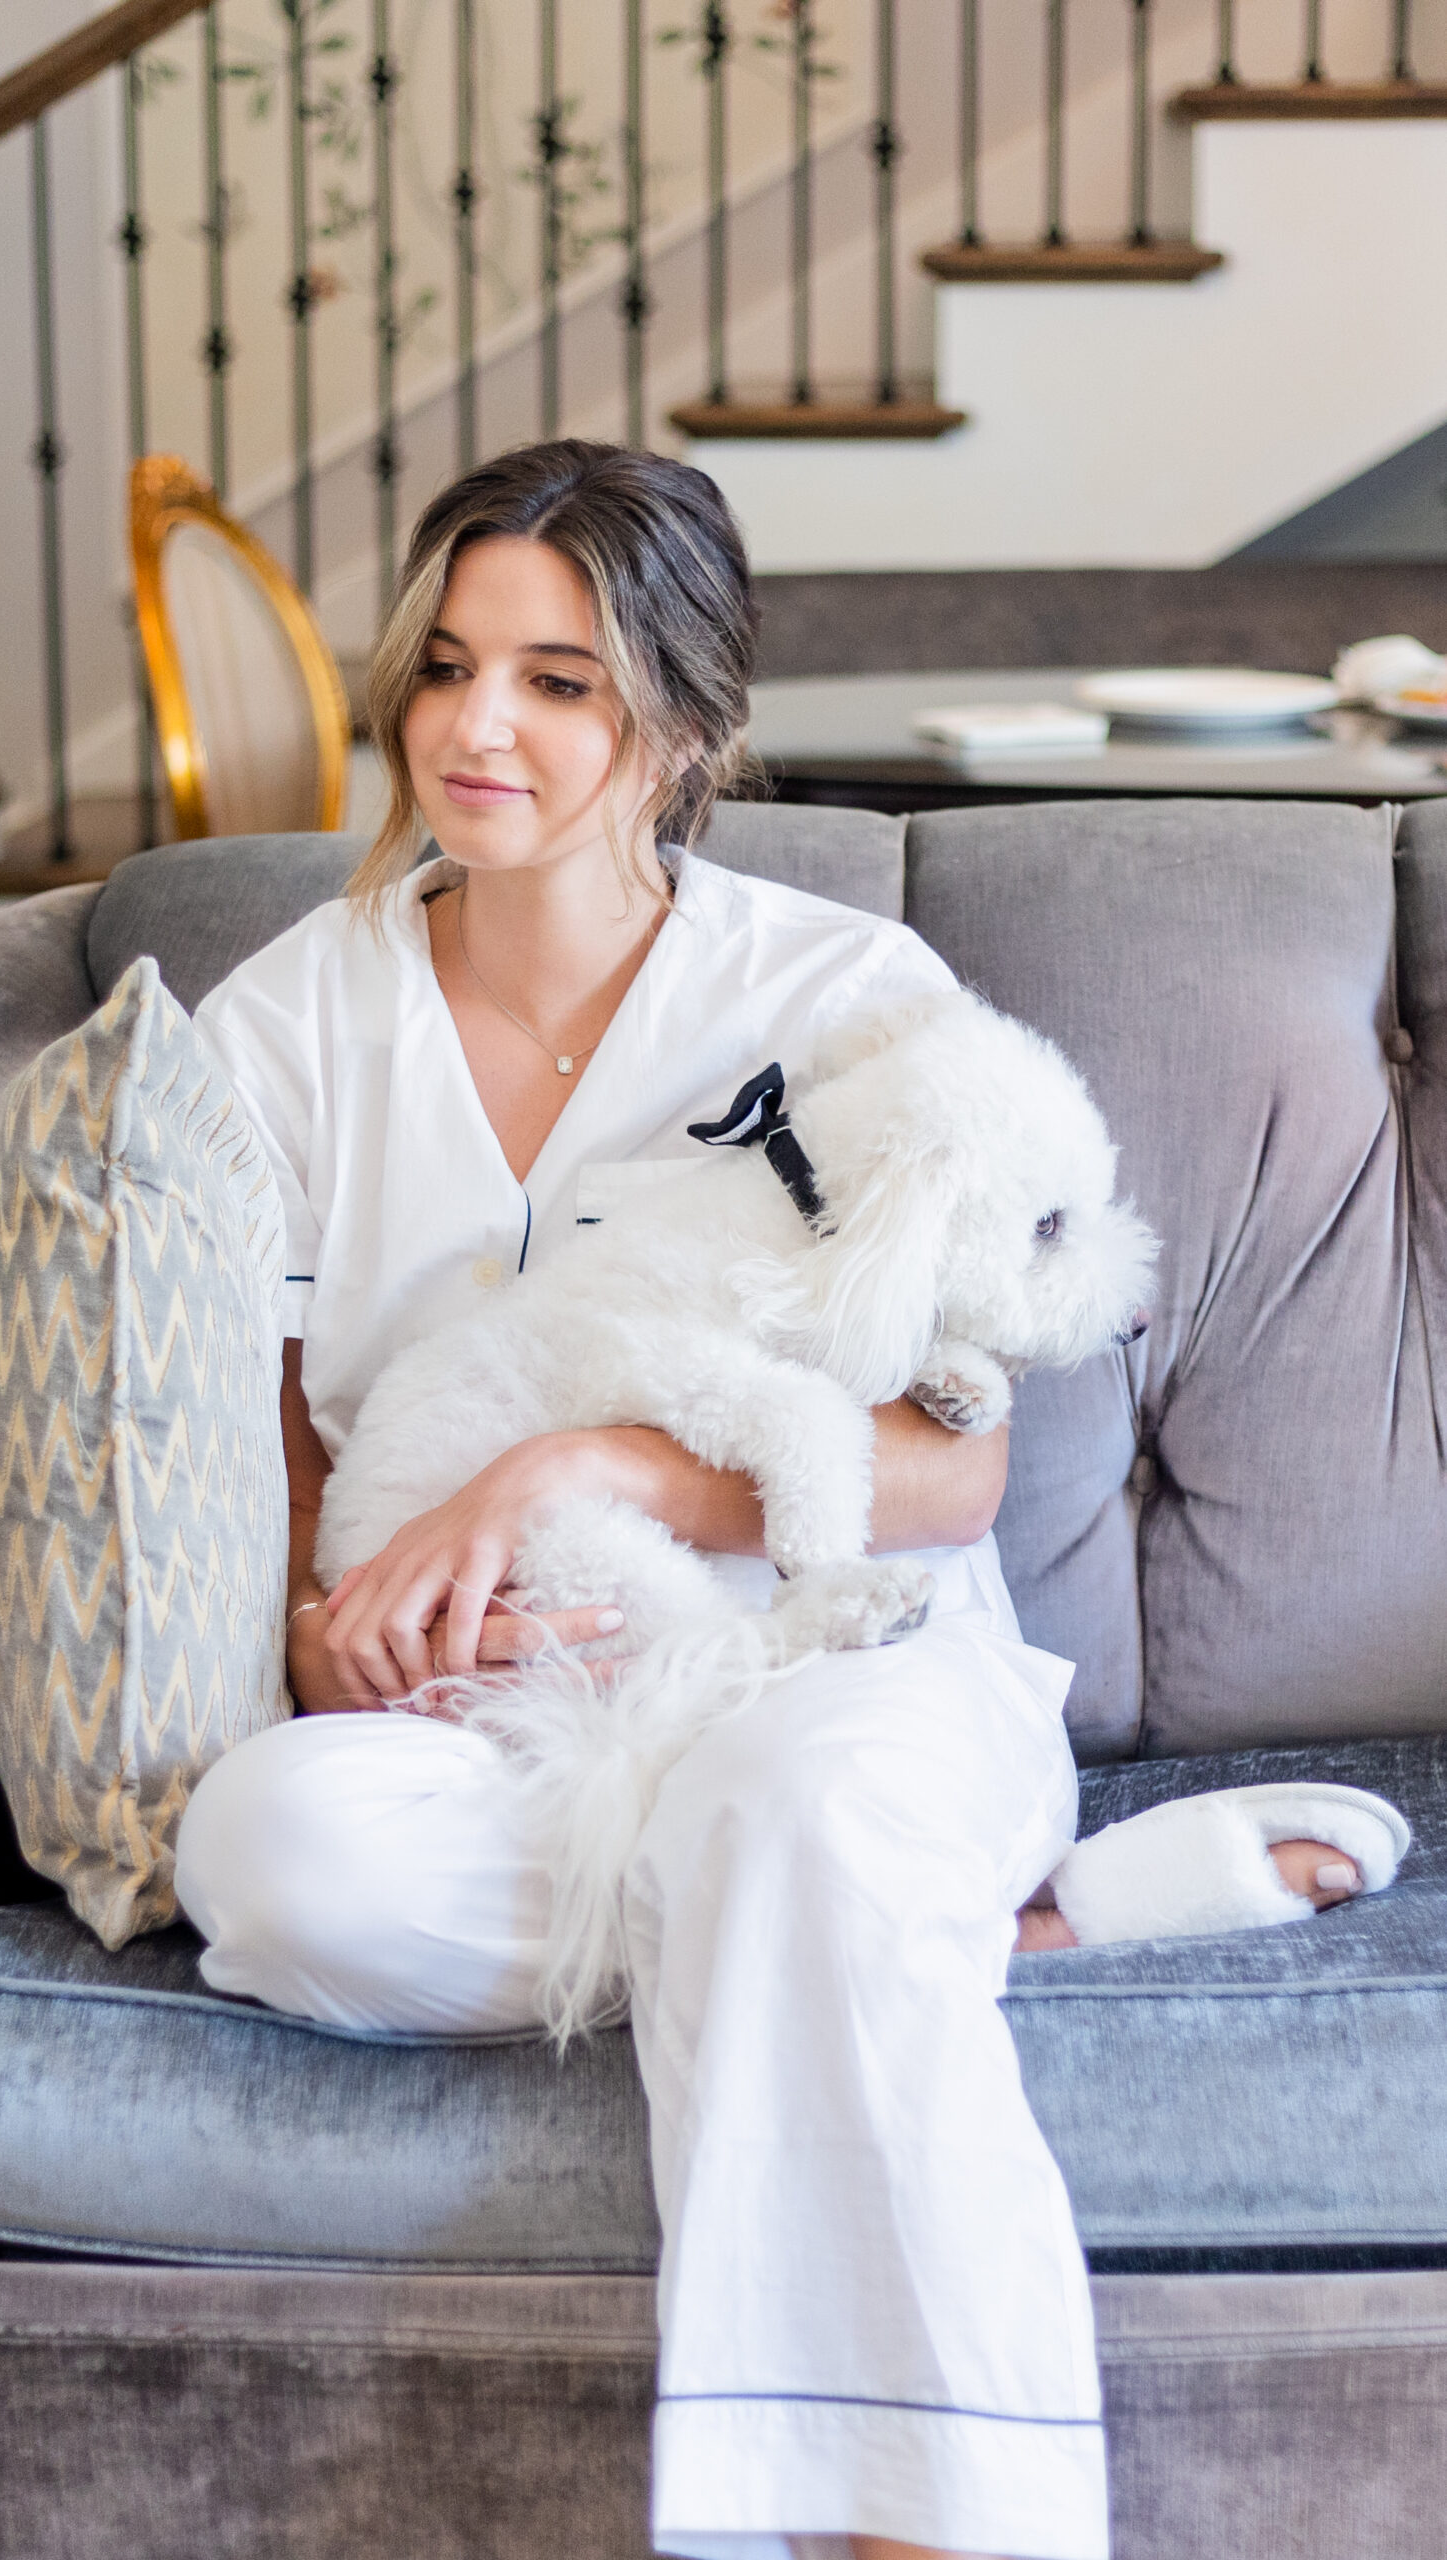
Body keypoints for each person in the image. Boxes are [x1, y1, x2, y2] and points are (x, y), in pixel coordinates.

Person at [177, 440, 1381, 2560]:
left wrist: (598, 1462)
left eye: (562, 681)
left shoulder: (844, 1004)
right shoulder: (290, 1023)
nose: (477, 729)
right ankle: (990, 1923)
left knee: (800, 1810)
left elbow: (957, 1465)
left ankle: (922, 2530)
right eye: (449, 665)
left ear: (690, 725)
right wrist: (321, 1620)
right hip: (533, 1712)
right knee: (271, 1854)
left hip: (848, 1658)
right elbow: (277, 1424)